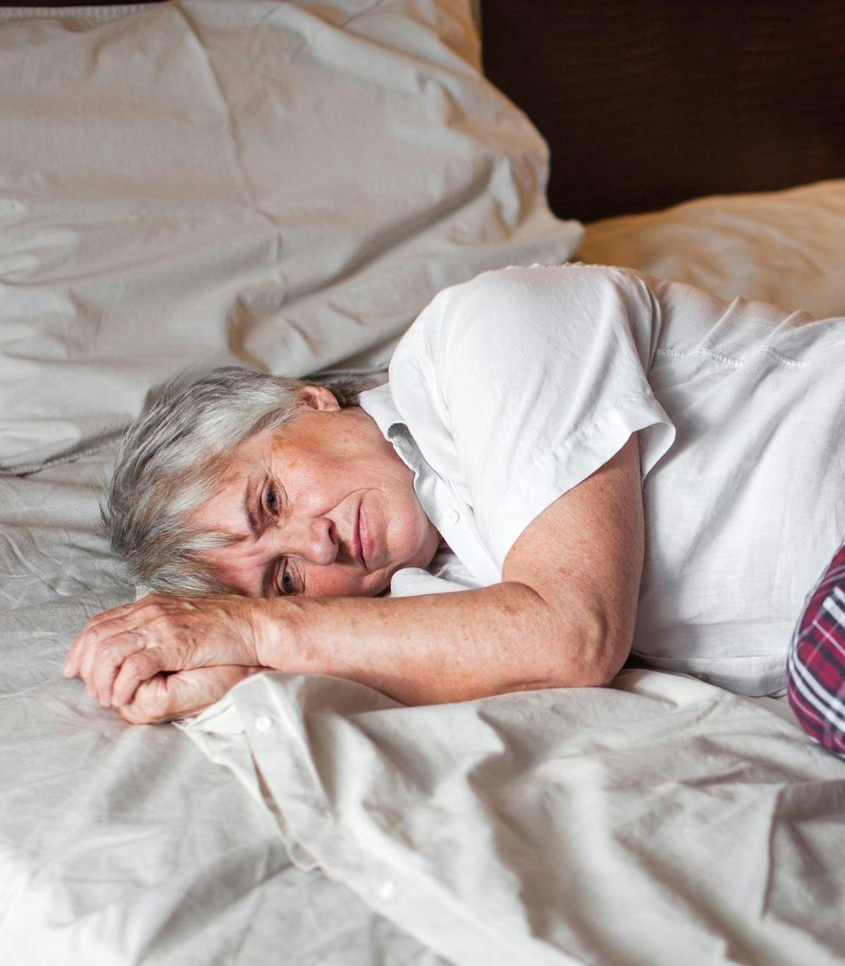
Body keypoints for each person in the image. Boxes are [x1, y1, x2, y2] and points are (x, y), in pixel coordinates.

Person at [62, 264, 845, 753]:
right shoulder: (419, 607)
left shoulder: (484, 330)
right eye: (286, 581)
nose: (319, 548)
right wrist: (219, 672)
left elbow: (571, 633)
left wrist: (257, 626)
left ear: (305, 402)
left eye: (270, 500)